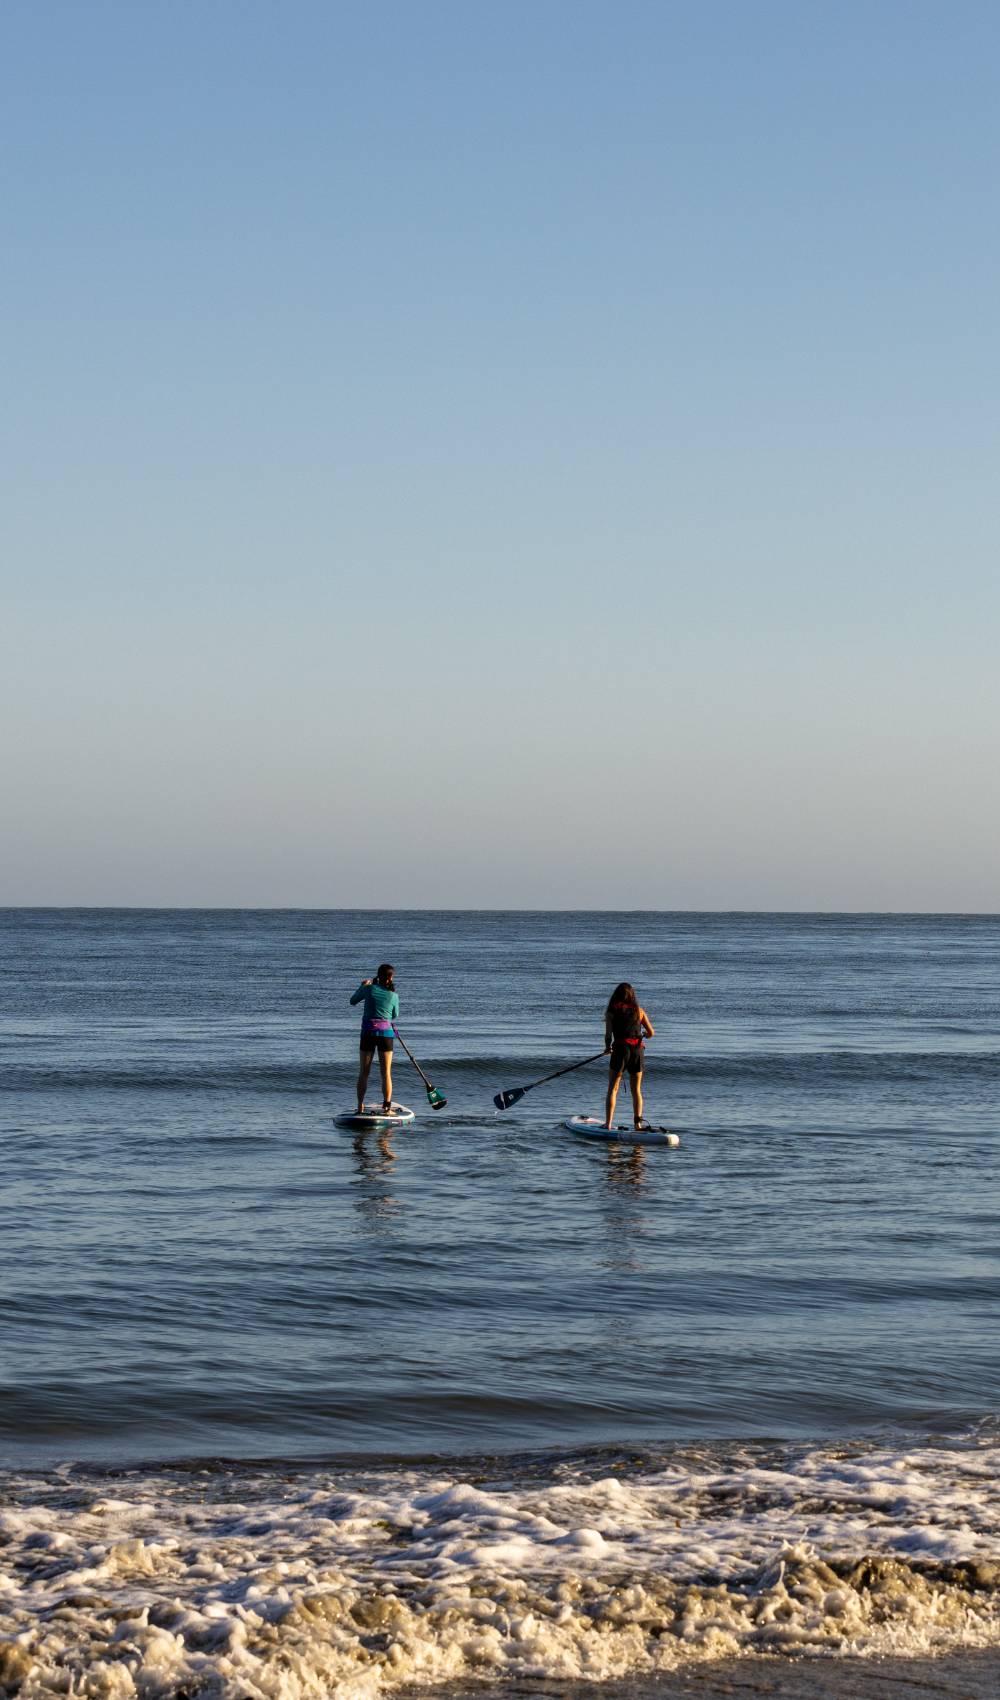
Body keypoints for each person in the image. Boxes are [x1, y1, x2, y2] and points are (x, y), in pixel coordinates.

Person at [604, 982, 654, 1130]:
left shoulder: (611, 1012)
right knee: (636, 1090)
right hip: (637, 1051)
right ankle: (638, 1125)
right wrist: (643, 1034)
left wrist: (607, 1048)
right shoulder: (639, 1011)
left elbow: (608, 1035)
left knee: (613, 1089)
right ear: (632, 996)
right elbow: (651, 1033)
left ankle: (608, 1124)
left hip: (620, 1050)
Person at [350, 964, 400, 1113]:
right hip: (385, 1034)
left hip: (368, 1034)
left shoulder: (368, 989)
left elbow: (352, 1001)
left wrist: (362, 986)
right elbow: (394, 1015)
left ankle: (360, 1107)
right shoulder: (393, 995)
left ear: (378, 976)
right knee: (386, 1073)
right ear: (390, 977)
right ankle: (387, 1108)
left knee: (364, 1072)